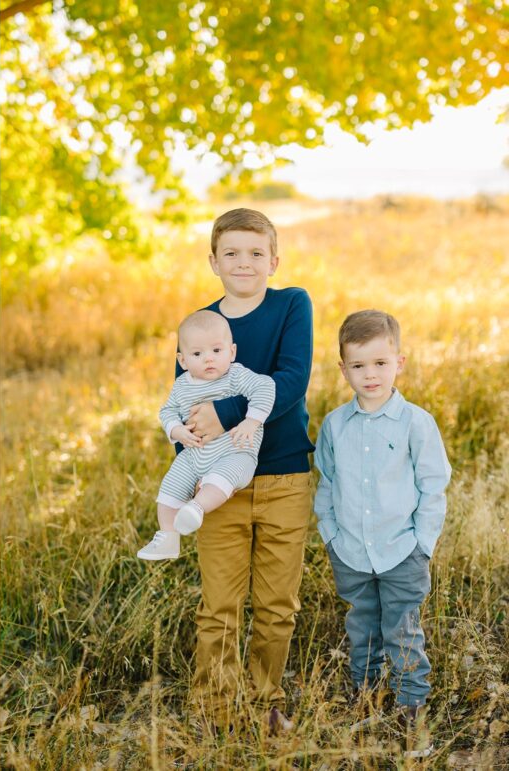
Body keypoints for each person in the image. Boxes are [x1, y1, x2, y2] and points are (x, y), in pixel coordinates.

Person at [177, 208, 315, 732]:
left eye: (257, 253)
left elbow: (292, 379)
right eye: (231, 252)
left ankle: (266, 700)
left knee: (278, 602)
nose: (244, 262)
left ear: (274, 260)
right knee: (219, 605)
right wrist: (189, 469)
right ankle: (213, 708)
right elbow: (186, 401)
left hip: (282, 476)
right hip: (217, 484)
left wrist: (226, 413)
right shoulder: (200, 325)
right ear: (213, 261)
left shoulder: (291, 305)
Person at [315, 309, 450, 752]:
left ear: (399, 362)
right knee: (362, 629)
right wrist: (331, 535)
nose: (369, 374)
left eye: (379, 363)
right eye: (357, 365)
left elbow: (433, 486)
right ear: (343, 369)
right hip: (351, 550)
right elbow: (327, 483)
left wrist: (422, 545)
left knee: (403, 631)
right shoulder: (335, 425)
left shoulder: (416, 422)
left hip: (401, 550)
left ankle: (412, 712)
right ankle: (366, 702)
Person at [137, 310, 275, 560]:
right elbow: (167, 410)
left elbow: (265, 386)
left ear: (231, 352)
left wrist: (251, 422)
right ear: (183, 361)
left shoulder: (236, 376)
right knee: (170, 487)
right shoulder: (182, 386)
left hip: (234, 450)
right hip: (194, 455)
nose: (208, 360)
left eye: (216, 351)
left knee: (223, 476)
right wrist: (176, 429)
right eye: (198, 354)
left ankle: (197, 508)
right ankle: (168, 536)